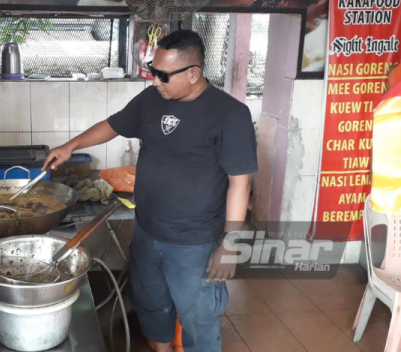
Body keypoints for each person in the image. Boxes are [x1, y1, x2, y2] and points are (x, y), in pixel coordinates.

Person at [42, 30, 258, 352]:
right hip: (146, 232)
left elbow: (241, 183)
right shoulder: (152, 98)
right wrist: (70, 146)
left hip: (193, 243)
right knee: (151, 308)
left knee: (199, 319)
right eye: (151, 70)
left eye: (162, 75)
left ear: (194, 73)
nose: (154, 80)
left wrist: (229, 245)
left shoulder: (230, 114)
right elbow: (114, 125)